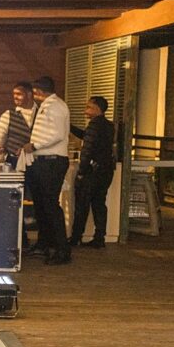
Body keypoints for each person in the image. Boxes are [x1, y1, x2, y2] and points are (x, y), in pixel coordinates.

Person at [23, 76, 72, 265]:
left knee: (50, 205)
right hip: (41, 161)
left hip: (52, 161)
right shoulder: (46, 106)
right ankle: (43, 243)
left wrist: (35, 145)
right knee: (41, 205)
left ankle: (62, 250)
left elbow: (58, 134)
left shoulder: (56, 106)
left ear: (39, 91)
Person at [68, 95, 115, 248]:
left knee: (82, 205)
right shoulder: (108, 126)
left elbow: (87, 149)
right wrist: (71, 127)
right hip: (106, 170)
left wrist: (81, 171)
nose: (85, 110)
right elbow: (87, 136)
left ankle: (76, 237)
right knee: (99, 203)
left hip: (92, 172)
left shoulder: (94, 125)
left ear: (97, 109)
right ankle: (99, 237)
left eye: (88, 107)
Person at [0, 81, 36, 171]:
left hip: (37, 164)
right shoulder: (7, 115)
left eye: (19, 94)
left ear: (29, 94)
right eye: (14, 94)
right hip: (14, 163)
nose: (15, 97)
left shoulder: (41, 113)